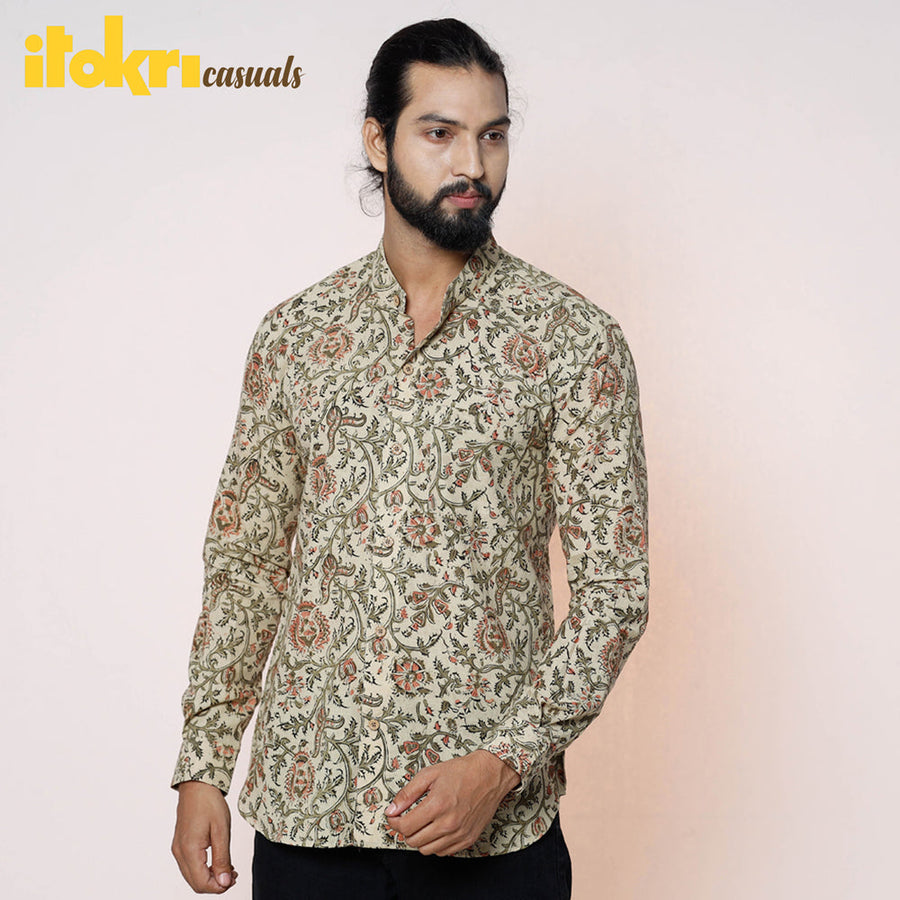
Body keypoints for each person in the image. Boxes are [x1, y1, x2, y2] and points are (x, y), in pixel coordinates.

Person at [171, 18, 649, 900]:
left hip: (492, 839)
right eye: (440, 133)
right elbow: (246, 561)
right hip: (309, 817)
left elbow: (614, 595)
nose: (473, 164)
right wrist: (204, 762)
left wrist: (502, 764)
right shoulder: (297, 336)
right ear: (377, 141)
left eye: (493, 136)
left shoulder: (573, 340)